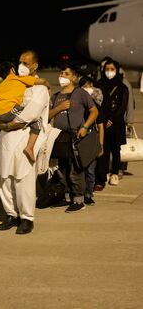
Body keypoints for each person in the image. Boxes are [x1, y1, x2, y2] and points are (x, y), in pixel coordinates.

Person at [0, 50, 50, 234]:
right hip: (6, 138)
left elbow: (31, 113)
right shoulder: (15, 84)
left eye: (26, 63)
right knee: (4, 177)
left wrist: (8, 125)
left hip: (24, 137)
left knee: (23, 179)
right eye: (20, 62)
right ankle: (11, 214)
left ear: (35, 66)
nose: (21, 66)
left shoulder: (40, 89)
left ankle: (26, 217)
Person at [49, 64, 98, 212]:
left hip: (75, 136)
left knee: (75, 169)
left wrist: (84, 127)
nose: (62, 75)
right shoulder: (56, 96)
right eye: (61, 72)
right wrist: (59, 108)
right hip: (59, 136)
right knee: (61, 168)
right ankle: (65, 197)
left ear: (74, 78)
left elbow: (94, 111)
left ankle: (78, 200)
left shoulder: (81, 93)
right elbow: (47, 116)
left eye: (67, 74)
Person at [0, 61, 49, 163]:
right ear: (12, 70)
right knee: (36, 120)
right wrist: (48, 88)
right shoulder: (18, 78)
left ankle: (4, 126)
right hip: (8, 112)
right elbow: (42, 81)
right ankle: (29, 147)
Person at [94, 58, 128, 189]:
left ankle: (115, 172)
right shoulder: (99, 84)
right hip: (102, 122)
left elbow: (122, 107)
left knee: (116, 149)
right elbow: (97, 103)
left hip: (116, 123)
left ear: (117, 70)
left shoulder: (122, 87)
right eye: (107, 69)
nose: (109, 72)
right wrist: (103, 119)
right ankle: (104, 173)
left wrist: (111, 119)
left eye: (112, 69)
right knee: (105, 149)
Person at [79, 76, 105, 205]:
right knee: (79, 170)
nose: (87, 88)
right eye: (84, 85)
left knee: (90, 170)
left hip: (91, 140)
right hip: (78, 140)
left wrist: (100, 144)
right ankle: (78, 193)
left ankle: (88, 194)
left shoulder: (96, 106)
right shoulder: (77, 105)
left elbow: (101, 127)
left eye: (89, 85)